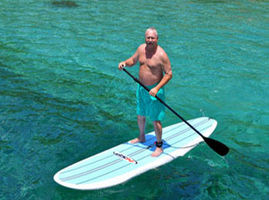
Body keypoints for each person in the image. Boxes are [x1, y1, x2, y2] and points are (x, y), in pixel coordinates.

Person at [118, 27, 172, 157]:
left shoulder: (161, 55)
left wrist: (156, 88)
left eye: (152, 38)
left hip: (155, 91)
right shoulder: (141, 49)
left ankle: (159, 146)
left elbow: (169, 74)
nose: (150, 40)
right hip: (141, 88)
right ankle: (141, 136)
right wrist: (125, 63)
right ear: (145, 38)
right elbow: (133, 60)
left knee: (155, 120)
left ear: (157, 39)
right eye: (148, 37)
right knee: (140, 115)